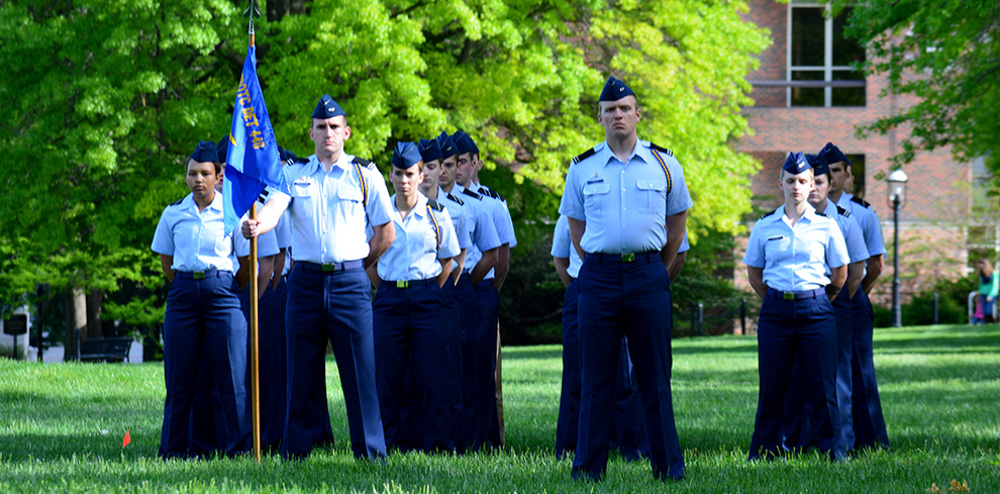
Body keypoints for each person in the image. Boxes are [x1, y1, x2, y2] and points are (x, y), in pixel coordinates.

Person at [241, 94, 395, 460]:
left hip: (350, 284)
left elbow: (386, 233)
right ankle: (295, 454)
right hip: (305, 284)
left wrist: (356, 265)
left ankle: (371, 453)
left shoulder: (364, 174)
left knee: (361, 376)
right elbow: (273, 210)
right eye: (321, 127)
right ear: (310, 133)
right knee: (300, 373)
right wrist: (256, 225)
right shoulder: (294, 175)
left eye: (334, 127)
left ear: (347, 132)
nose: (327, 133)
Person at [559, 76, 691, 481]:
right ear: (599, 116)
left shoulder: (665, 164)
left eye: (625, 109)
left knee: (655, 377)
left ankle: (668, 467)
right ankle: (588, 470)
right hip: (597, 278)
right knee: (595, 379)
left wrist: (654, 271)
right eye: (610, 110)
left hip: (648, 276)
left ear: (638, 114)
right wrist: (603, 265)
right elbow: (577, 231)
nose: (618, 115)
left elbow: (677, 226)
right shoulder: (582, 168)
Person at [553, 215, 690, 461]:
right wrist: (591, 285)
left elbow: (678, 253)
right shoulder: (574, 207)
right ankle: (571, 448)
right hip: (590, 290)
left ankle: (635, 445)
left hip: (643, 288)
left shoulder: (654, 202)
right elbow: (561, 259)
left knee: (632, 375)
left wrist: (653, 285)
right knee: (581, 375)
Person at [743, 152, 850, 461]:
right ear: (781, 184)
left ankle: (832, 452)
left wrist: (818, 300)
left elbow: (840, 272)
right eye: (790, 181)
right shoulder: (764, 226)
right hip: (776, 313)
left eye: (803, 181)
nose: (797, 186)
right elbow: (754, 271)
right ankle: (764, 451)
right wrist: (777, 299)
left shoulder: (826, 226)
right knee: (773, 386)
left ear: (811, 186)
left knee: (822, 387)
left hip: (816, 312)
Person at [151, 140, 249, 459]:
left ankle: (237, 450)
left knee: (231, 378)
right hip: (182, 297)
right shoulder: (173, 213)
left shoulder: (234, 212)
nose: (198, 180)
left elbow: (247, 264)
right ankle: (173, 450)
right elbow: (167, 260)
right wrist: (186, 286)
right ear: (186, 177)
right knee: (179, 379)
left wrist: (224, 287)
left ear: (217, 174)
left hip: (223, 294)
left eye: (205, 173)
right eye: (193, 174)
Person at [372, 142, 461, 452]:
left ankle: (437, 443)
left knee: (434, 375)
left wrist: (428, 291)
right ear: (391, 175)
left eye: (410, 174)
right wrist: (384, 286)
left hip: (427, 298)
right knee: (388, 375)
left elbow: (448, 260)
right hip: (389, 300)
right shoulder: (380, 215)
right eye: (398, 174)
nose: (404, 181)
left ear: (422, 175)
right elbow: (370, 261)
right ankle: (388, 443)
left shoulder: (436, 214)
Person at [780, 153, 869, 457]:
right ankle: (802, 441)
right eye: (810, 181)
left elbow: (856, 271)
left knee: (838, 377)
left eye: (819, 181)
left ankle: (842, 443)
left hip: (835, 304)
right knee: (798, 377)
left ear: (829, 185)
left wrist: (832, 298)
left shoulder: (843, 221)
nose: (813, 188)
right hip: (800, 307)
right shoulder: (784, 220)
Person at [818, 142, 889, 450]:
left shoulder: (862, 212)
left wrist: (856, 294)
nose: (831, 177)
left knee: (860, 370)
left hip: (853, 298)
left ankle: (872, 439)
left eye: (837, 171)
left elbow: (875, 263)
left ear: (849, 175)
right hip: (821, 299)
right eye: (826, 171)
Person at [437, 131, 500, 451]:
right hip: (433, 290)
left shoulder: (478, 205)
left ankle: (477, 439)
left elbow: (495, 256)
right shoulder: (427, 202)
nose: (450, 170)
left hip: (469, 289)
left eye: (456, 163)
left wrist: (468, 284)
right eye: (443, 164)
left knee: (475, 370)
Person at [453, 130, 516, 449]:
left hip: (480, 291)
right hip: (451, 290)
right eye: (453, 162)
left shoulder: (492, 203)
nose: (458, 168)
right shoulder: (437, 200)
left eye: (463, 162)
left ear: (476, 163)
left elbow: (501, 259)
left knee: (487, 372)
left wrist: (479, 289)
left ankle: (493, 438)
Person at [977, 259, 998, 323]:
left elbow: (995, 285)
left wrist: (991, 295)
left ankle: (993, 322)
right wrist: (979, 293)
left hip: (991, 295)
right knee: (984, 312)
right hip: (983, 294)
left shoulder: (994, 273)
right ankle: (986, 324)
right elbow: (981, 284)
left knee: (988, 311)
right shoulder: (982, 275)